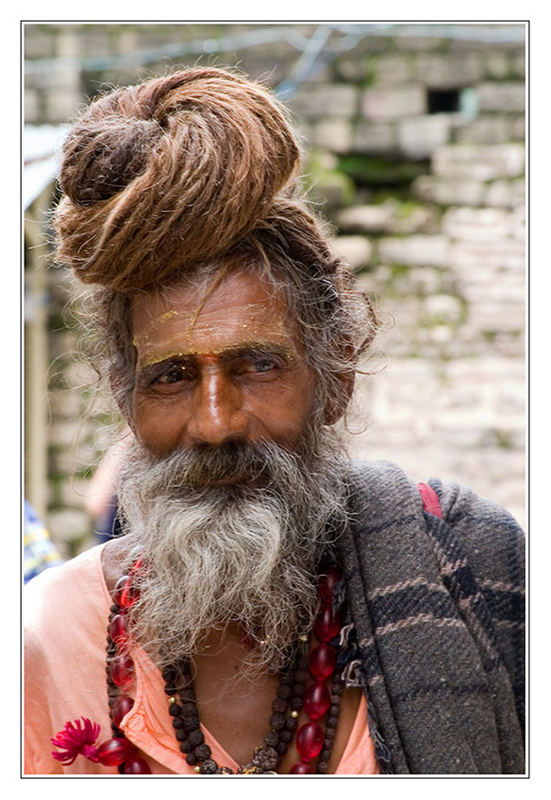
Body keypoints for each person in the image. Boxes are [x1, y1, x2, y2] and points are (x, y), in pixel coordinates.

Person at [24, 67, 525, 776]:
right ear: (124, 399)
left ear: (336, 376)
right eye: (170, 377)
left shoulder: (479, 573)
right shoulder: (45, 642)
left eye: (257, 366)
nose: (216, 422)